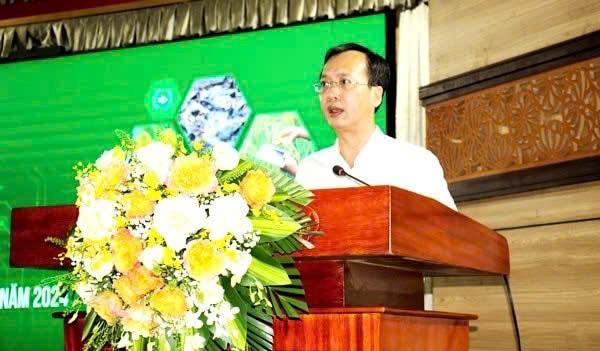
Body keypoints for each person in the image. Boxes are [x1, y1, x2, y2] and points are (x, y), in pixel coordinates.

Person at [294, 43, 457, 210]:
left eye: (345, 82)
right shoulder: (310, 169)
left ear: (376, 95)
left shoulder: (416, 163)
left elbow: (448, 232)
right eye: (325, 84)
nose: (331, 94)